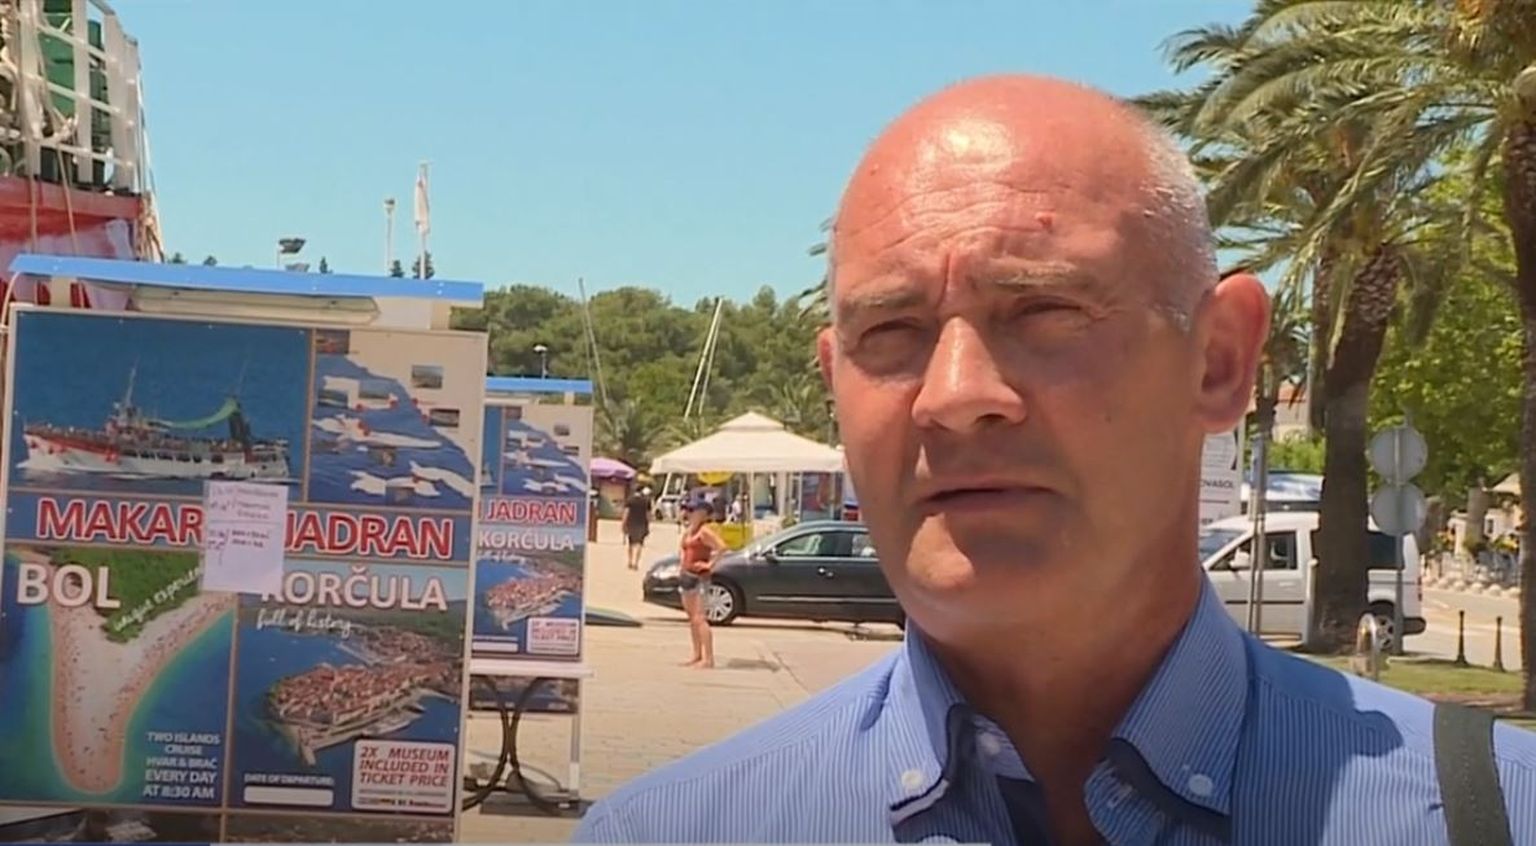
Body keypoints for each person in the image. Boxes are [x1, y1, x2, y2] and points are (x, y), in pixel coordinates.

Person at [572, 74, 1536, 845]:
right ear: (836, 381)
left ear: (1218, 361)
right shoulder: (674, 831)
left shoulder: (1488, 817)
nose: (955, 394)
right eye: (891, 332)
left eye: (1043, 311)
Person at [677, 494, 725, 669]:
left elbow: (722, 547)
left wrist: (710, 564)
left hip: (699, 577)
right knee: (692, 618)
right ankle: (697, 654)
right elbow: (682, 549)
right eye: (688, 510)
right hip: (686, 575)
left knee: (699, 618)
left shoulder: (705, 531)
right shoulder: (689, 530)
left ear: (703, 513)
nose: (689, 513)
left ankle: (708, 658)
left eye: (693, 510)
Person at [621, 485, 652, 570]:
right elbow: (648, 515)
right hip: (642, 524)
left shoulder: (630, 500)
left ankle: (630, 561)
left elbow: (626, 513)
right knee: (639, 544)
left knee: (631, 543)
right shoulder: (646, 501)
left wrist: (623, 524)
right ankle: (636, 563)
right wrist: (648, 524)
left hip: (631, 523)